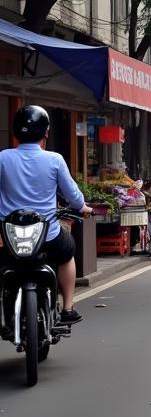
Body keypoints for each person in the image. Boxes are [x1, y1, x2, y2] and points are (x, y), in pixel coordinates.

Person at [0, 105, 93, 324]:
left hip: (10, 236)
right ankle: (68, 307)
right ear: (46, 133)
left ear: (15, 133)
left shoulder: (3, 158)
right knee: (67, 251)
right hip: (47, 235)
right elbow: (73, 196)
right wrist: (83, 207)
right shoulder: (54, 160)